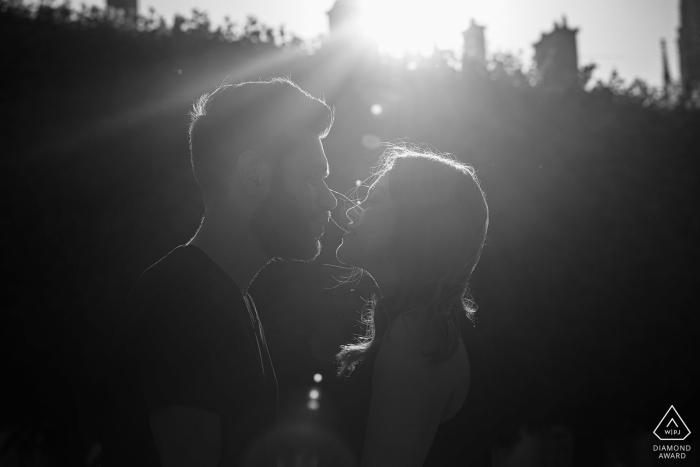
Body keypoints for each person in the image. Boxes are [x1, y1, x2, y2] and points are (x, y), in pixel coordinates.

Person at [102, 77, 337, 467]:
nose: (329, 199)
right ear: (254, 175)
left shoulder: (224, 296)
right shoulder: (184, 301)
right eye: (313, 177)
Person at [333, 146, 491, 467]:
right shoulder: (418, 327)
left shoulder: (417, 337)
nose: (352, 211)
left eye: (373, 199)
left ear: (414, 225)